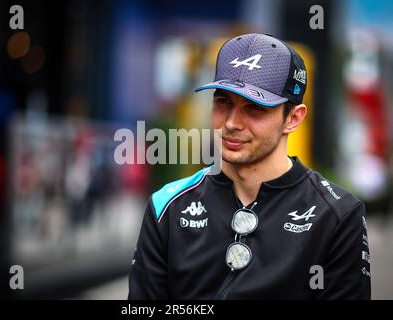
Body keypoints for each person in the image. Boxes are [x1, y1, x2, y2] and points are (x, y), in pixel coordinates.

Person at [128, 33, 371, 299]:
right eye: (223, 102)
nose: (232, 123)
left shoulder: (337, 215)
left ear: (293, 118)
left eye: (254, 107)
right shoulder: (167, 206)